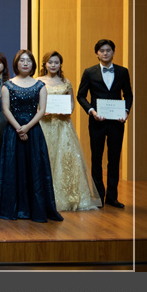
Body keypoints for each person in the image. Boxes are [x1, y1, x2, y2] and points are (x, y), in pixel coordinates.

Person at [0, 50, 63, 223]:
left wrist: (26, 127)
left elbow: (41, 110)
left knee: (35, 170)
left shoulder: (40, 85)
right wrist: (19, 128)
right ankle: (14, 208)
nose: (25, 63)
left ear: (33, 64)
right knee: (13, 169)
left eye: (28, 60)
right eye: (22, 60)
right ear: (16, 63)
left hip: (33, 132)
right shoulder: (7, 85)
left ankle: (36, 209)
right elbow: (6, 110)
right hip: (13, 132)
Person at [39, 51, 101, 211]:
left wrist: (67, 111)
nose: (53, 65)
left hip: (63, 125)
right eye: (50, 62)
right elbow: (35, 103)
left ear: (60, 64)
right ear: (45, 64)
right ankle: (43, 196)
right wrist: (41, 111)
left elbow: (71, 102)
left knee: (65, 159)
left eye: (56, 62)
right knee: (45, 157)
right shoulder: (38, 81)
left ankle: (66, 197)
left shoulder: (66, 82)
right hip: (44, 123)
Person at [76, 39, 132, 209]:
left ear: (113, 52)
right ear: (97, 54)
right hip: (97, 122)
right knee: (96, 159)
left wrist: (126, 111)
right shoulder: (89, 72)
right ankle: (99, 196)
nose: (105, 53)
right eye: (101, 50)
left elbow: (128, 95)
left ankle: (112, 197)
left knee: (114, 159)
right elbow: (80, 95)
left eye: (108, 50)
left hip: (117, 122)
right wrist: (91, 111)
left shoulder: (123, 72)